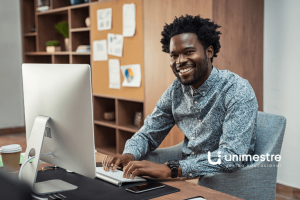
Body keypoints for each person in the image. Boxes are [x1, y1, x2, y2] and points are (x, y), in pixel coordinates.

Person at [103, 15, 258, 179]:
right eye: (174, 55)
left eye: (189, 52)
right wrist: (128, 155)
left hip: (224, 180)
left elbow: (231, 157)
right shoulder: (176, 90)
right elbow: (148, 133)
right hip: (185, 176)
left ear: (209, 51)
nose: (180, 61)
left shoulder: (236, 90)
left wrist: (173, 169)